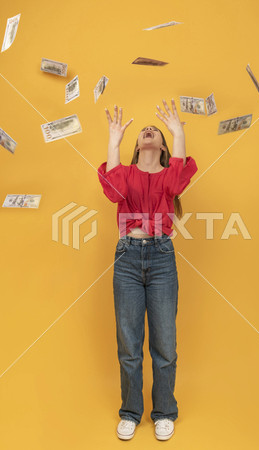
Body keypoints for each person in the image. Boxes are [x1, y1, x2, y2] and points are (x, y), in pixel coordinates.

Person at [97, 99, 198, 441]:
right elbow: (112, 190)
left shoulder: (170, 178)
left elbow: (180, 180)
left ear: (163, 146)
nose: (148, 131)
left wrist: (178, 130)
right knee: (129, 343)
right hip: (127, 257)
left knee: (165, 343)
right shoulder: (125, 175)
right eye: (143, 132)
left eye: (154, 131)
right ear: (138, 145)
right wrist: (114, 139)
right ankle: (130, 411)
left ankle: (165, 411)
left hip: (161, 258)